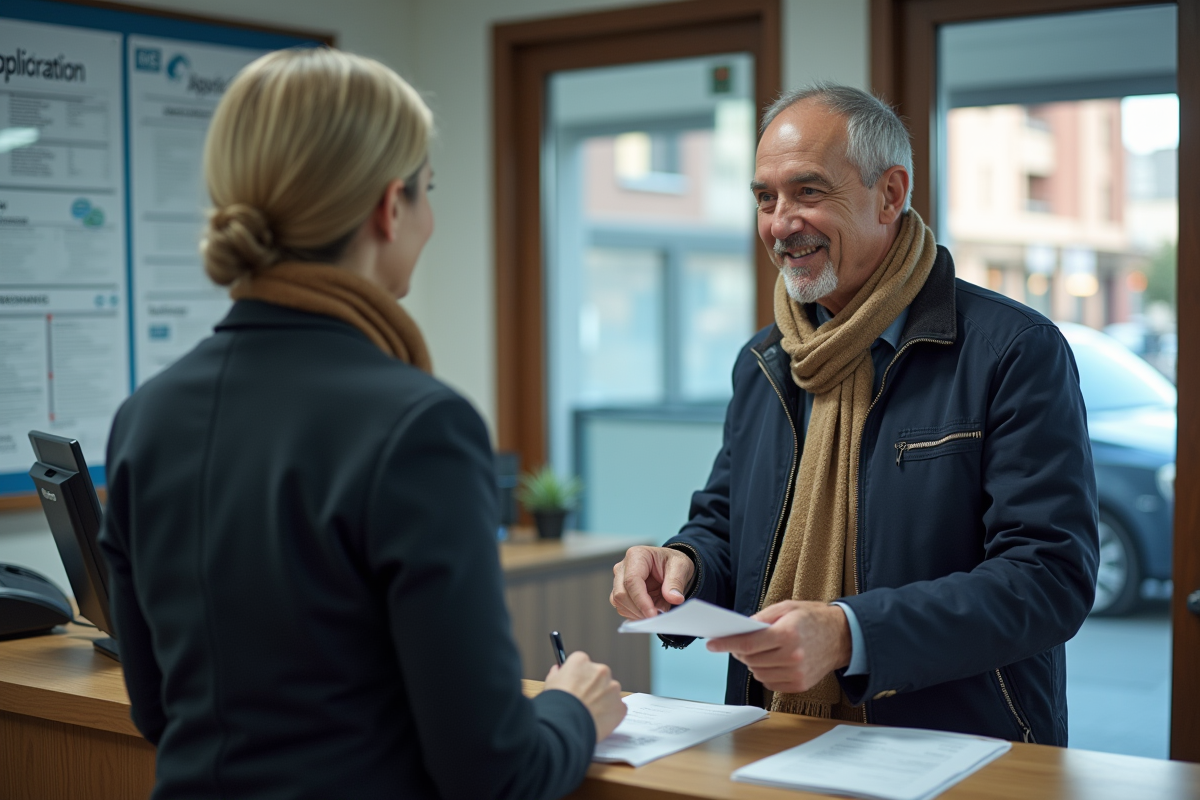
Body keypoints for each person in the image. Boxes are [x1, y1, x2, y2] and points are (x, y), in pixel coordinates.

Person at [98, 47, 624, 800]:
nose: (430, 220)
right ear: (389, 207)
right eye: (427, 190)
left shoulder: (144, 416)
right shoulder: (420, 426)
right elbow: (494, 772)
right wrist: (573, 709)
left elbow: (157, 712)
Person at [610, 83, 1098, 745]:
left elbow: (1047, 579)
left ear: (890, 194)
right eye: (765, 198)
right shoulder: (765, 360)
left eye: (807, 192)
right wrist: (681, 565)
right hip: (774, 739)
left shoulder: (1012, 351)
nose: (780, 224)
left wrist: (851, 634)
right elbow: (727, 525)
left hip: (955, 750)